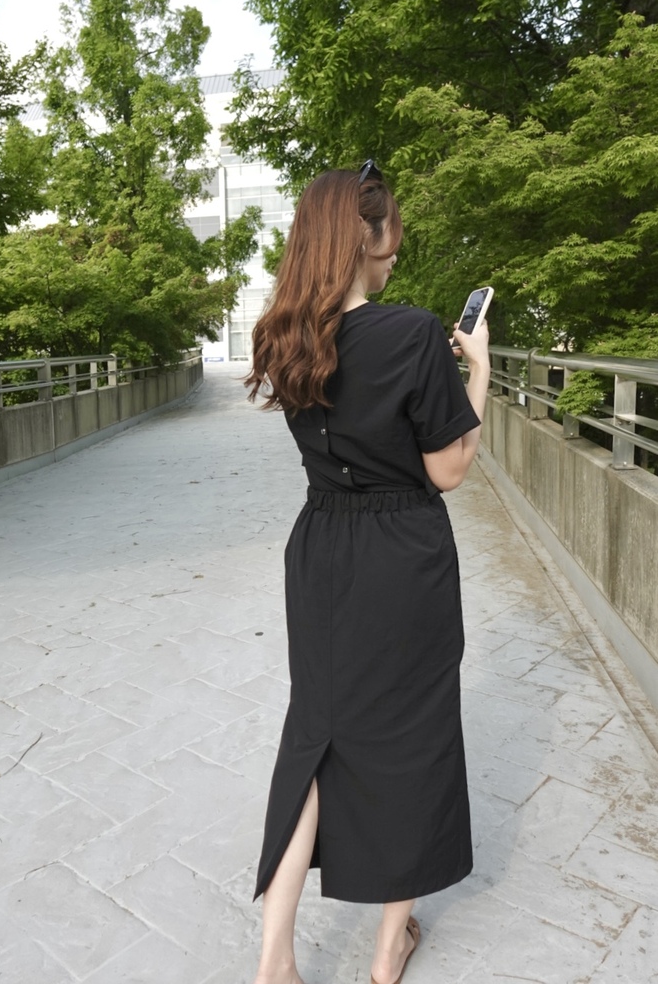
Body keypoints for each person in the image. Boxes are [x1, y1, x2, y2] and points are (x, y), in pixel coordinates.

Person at [244, 161, 491, 984]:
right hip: (401, 554)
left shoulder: (283, 336)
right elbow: (449, 468)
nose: (394, 254)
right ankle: (389, 951)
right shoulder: (413, 333)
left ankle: (275, 960)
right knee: (411, 738)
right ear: (365, 237)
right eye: (390, 237)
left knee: (315, 738)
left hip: (320, 550)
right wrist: (478, 372)